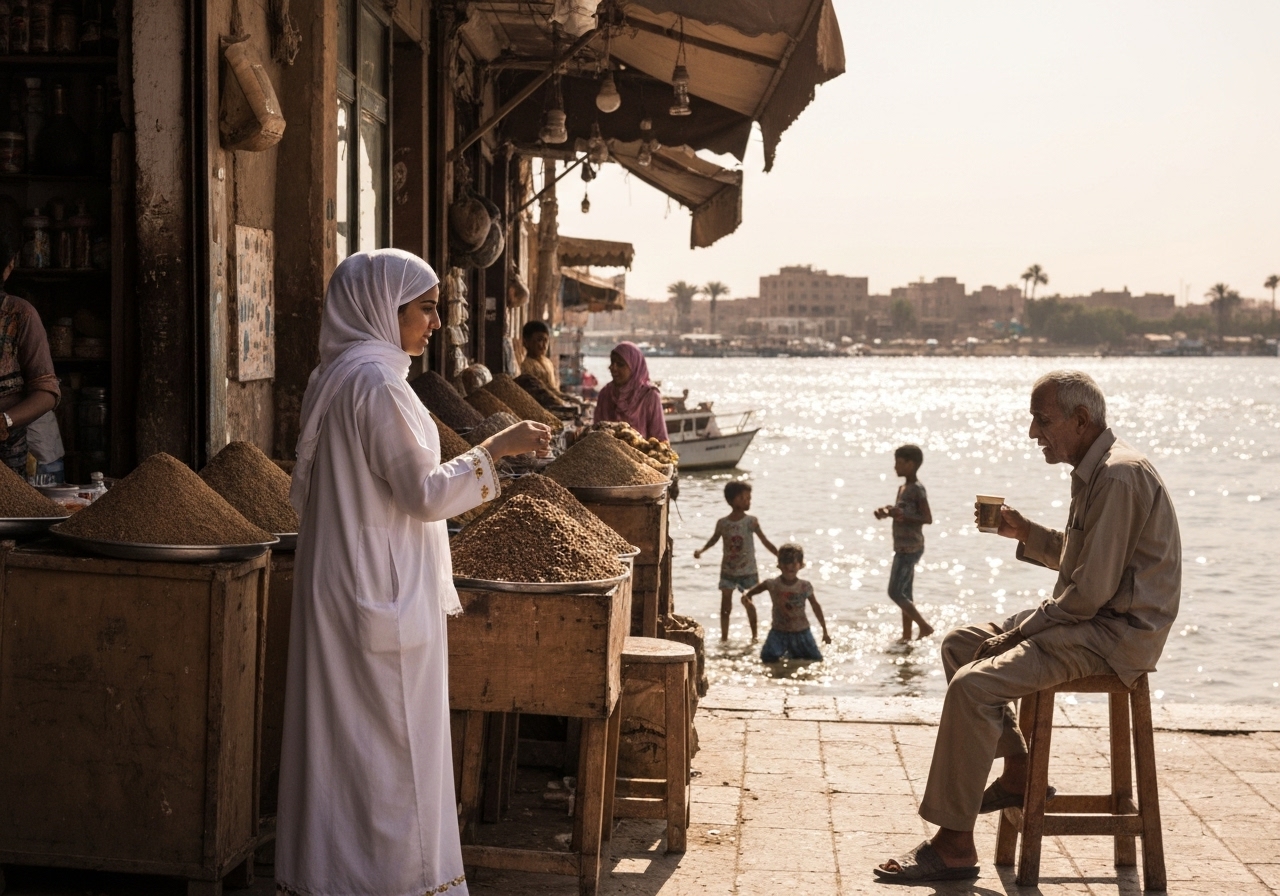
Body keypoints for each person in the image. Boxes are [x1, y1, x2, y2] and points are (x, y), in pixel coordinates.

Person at [276, 249, 551, 896]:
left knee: (346, 759)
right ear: (381, 308)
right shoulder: (377, 385)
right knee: (391, 760)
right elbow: (423, 493)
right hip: (379, 590)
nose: (435, 323)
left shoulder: (337, 375)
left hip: (348, 585)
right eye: (425, 309)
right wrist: (497, 448)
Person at [875, 370, 1181, 884]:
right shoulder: (1098, 470)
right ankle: (1018, 769)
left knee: (973, 685)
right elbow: (1087, 564)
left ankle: (953, 845)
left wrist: (1019, 633)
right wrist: (1026, 533)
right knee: (960, 645)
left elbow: (1088, 594)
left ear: (1081, 420)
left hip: (1115, 636)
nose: (1034, 433)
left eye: (1043, 421)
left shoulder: (1119, 476)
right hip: (1091, 619)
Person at [0, 228, 59, 476]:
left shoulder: (20, 315)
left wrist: (5, 421)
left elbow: (47, 392)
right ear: (11, 265)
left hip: (6, 458)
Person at [694, 481, 779, 642]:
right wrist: (702, 550)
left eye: (749, 498)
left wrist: (778, 555)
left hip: (748, 569)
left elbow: (764, 540)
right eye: (744, 498)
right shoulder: (723, 523)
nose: (748, 501)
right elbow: (714, 540)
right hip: (728, 570)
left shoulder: (751, 522)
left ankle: (755, 636)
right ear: (732, 500)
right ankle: (724, 638)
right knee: (725, 605)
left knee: (748, 600)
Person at [874, 444, 935, 641]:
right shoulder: (903, 488)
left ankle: (924, 626)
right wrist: (887, 512)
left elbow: (926, 518)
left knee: (895, 592)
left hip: (910, 548)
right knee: (906, 593)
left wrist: (899, 514)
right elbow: (901, 513)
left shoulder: (917, 489)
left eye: (899, 463)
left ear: (912, 464)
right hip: (902, 546)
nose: (895, 467)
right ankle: (907, 635)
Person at [743, 543, 832, 662]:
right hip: (778, 632)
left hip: (801, 632)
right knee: (767, 659)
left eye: (793, 563)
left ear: (800, 565)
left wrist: (825, 631)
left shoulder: (804, 586)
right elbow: (748, 594)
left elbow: (815, 606)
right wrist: (747, 601)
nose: (789, 567)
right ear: (779, 565)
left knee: (815, 660)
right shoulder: (772, 584)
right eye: (785, 563)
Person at [593, 341, 668, 441]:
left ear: (634, 367)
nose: (613, 368)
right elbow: (596, 434)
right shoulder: (605, 394)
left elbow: (660, 440)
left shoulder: (649, 396)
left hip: (640, 456)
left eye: (620, 364)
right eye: (612, 363)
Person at [520, 319, 561, 395]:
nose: (544, 345)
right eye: (539, 340)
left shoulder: (548, 363)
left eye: (546, 340)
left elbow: (554, 390)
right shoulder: (526, 366)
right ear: (526, 343)